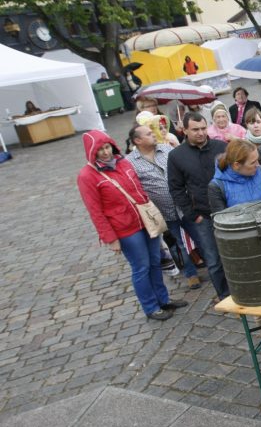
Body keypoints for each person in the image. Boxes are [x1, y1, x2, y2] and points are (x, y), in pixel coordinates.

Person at [78, 129, 187, 321]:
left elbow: (139, 190)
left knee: (155, 262)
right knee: (141, 267)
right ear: (91, 152)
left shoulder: (123, 163)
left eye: (107, 147)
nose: (105, 152)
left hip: (145, 221)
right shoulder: (87, 176)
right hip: (124, 228)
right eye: (100, 150)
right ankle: (151, 307)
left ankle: (163, 299)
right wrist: (110, 238)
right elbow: (95, 211)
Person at [207, 139, 261, 372]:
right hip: (245, 253)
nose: (257, 165)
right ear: (236, 165)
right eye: (252, 163)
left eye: (258, 160)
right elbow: (222, 224)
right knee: (258, 301)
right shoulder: (217, 186)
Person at [127, 124, 201, 291]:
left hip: (185, 205)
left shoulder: (166, 150)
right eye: (148, 133)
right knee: (180, 243)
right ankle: (191, 273)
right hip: (164, 211)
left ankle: (215, 266)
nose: (154, 134)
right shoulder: (130, 162)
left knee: (201, 237)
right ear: (137, 140)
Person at [167, 112, 229, 299]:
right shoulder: (177, 156)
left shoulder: (221, 147)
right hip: (203, 215)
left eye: (203, 128)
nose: (201, 133)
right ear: (184, 130)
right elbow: (176, 188)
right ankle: (224, 296)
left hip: (229, 210)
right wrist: (192, 214)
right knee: (213, 259)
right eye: (195, 130)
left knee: (235, 255)